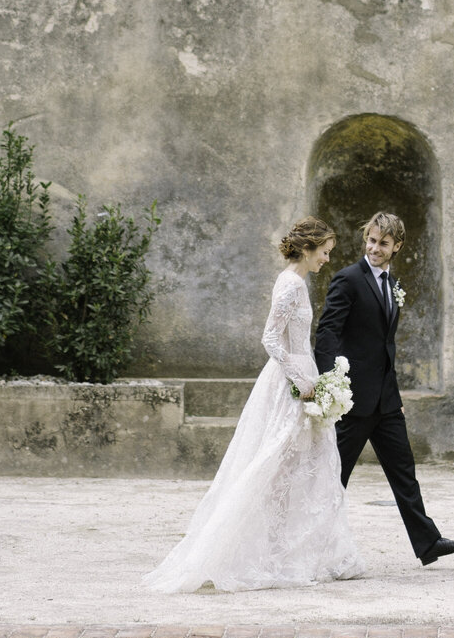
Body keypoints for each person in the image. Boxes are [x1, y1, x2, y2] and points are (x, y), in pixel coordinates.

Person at [143, 217, 363, 593]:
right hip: (292, 384)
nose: (327, 259)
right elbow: (270, 339)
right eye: (324, 252)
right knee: (276, 465)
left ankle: (300, 551)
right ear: (308, 247)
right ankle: (266, 551)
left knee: (305, 467)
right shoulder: (291, 284)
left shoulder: (295, 281)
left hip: (303, 377)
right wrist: (302, 380)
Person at [315, 211, 454, 568]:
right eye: (370, 240)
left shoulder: (393, 284)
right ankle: (308, 544)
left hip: (386, 403)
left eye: (382, 243)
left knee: (404, 472)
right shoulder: (348, 280)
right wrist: (329, 387)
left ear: (396, 246)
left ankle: (428, 543)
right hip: (352, 401)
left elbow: (386, 349)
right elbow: (327, 334)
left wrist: (396, 397)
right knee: (332, 477)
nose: (374, 247)